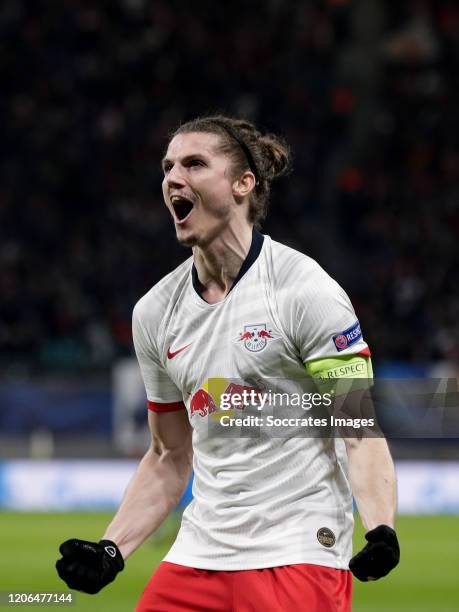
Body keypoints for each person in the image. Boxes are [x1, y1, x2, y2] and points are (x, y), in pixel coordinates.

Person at [56, 115, 400, 611]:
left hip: (298, 551)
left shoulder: (306, 291)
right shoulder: (154, 313)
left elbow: (357, 430)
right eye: (168, 166)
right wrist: (113, 549)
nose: (174, 177)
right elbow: (169, 455)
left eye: (195, 163)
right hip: (199, 552)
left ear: (244, 184)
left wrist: (381, 529)